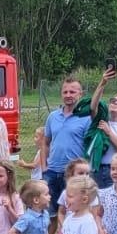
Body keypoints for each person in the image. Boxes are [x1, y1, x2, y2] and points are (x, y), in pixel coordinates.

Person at [40, 74, 96, 203]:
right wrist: (44, 169)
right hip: (52, 172)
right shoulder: (53, 117)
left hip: (74, 175)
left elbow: (90, 148)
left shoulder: (86, 118)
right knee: (50, 212)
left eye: (72, 92)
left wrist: (84, 171)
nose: (68, 95)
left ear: (80, 94)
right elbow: (45, 143)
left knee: (72, 210)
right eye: (65, 92)